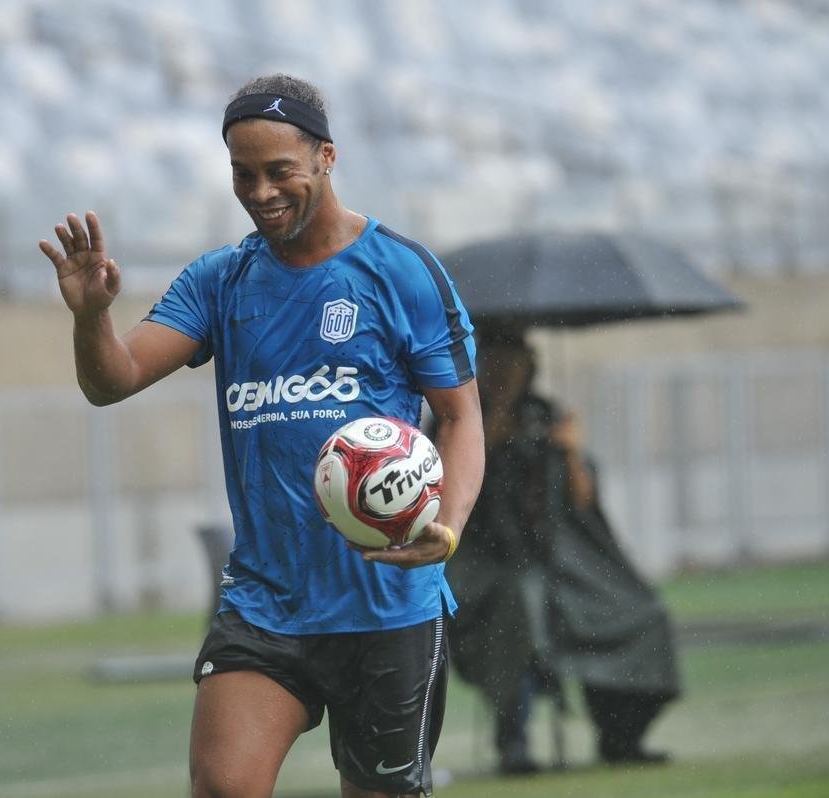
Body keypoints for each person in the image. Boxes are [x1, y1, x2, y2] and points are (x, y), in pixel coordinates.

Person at [39, 74, 485, 798]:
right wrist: (91, 317)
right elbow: (111, 380)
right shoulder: (222, 281)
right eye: (243, 175)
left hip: (389, 605)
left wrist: (451, 529)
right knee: (223, 787)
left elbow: (462, 418)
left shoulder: (401, 273)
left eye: (280, 171)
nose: (261, 192)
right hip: (266, 602)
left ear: (327, 159)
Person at [444, 326, 681, 775]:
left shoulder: (546, 416)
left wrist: (570, 451)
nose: (503, 374)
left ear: (530, 367)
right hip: (484, 563)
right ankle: (514, 741)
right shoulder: (459, 416)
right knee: (520, 606)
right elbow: (450, 483)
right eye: (494, 365)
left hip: (558, 561)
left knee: (640, 612)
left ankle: (621, 734)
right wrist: (496, 419)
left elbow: (584, 501)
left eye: (512, 365)